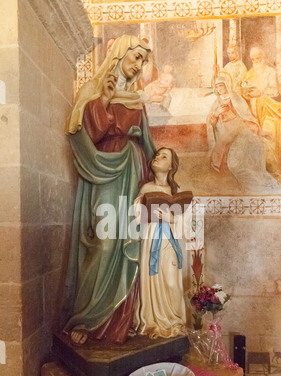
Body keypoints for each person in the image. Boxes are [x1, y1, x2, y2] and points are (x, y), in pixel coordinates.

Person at [63, 35, 156, 345]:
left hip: (134, 169)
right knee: (104, 241)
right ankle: (89, 319)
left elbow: (147, 143)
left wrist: (161, 178)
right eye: (136, 55)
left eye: (144, 59)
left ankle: (120, 322)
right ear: (119, 53)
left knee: (130, 243)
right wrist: (103, 101)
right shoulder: (95, 88)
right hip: (105, 169)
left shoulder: (138, 100)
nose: (139, 63)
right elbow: (81, 133)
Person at [132, 147, 190, 339]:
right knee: (151, 278)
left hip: (169, 240)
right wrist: (142, 210)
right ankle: (153, 322)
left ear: (171, 166)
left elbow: (187, 222)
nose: (157, 158)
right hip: (150, 239)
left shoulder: (176, 190)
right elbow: (136, 217)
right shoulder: (146, 188)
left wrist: (171, 218)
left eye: (163, 156)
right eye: (156, 155)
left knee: (171, 281)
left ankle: (174, 321)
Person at [207, 76, 281, 194]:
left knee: (255, 143)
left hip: (241, 126)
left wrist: (256, 129)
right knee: (236, 161)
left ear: (226, 85)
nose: (219, 88)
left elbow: (246, 115)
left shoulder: (236, 98)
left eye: (221, 85)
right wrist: (216, 114)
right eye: (217, 86)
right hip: (227, 129)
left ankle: (259, 176)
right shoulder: (216, 102)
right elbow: (212, 123)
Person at [242, 46, 281, 179]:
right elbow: (245, 92)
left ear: (263, 57)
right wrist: (247, 93)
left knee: (269, 138)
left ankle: (272, 169)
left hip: (270, 110)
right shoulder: (250, 73)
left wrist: (260, 93)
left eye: (258, 58)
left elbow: (274, 91)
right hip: (255, 111)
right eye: (253, 59)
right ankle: (260, 169)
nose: (256, 61)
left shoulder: (271, 72)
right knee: (256, 139)